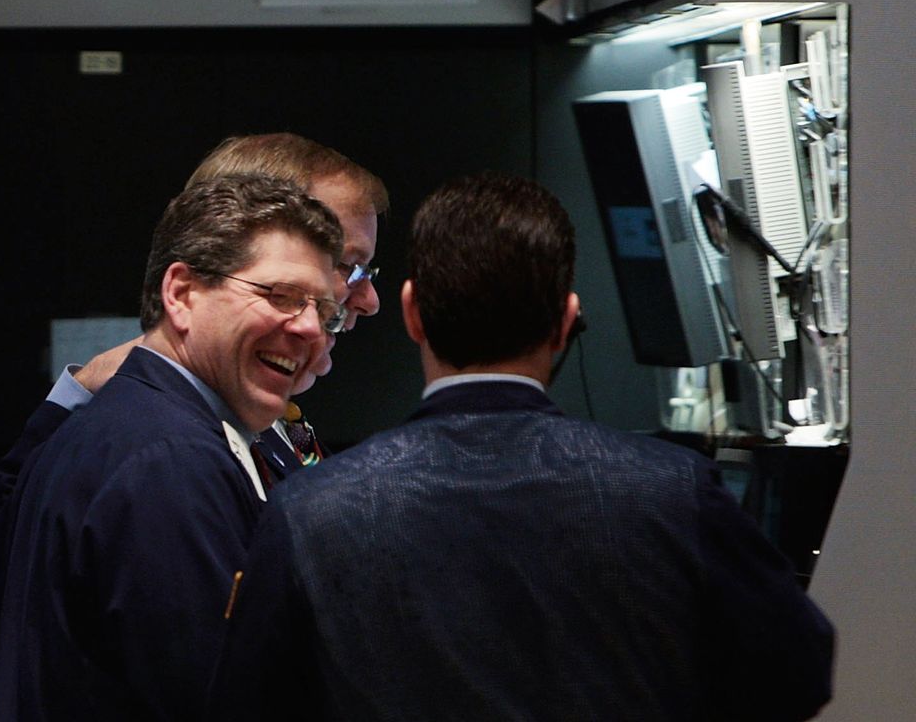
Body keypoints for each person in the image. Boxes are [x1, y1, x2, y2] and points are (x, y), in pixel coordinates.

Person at [208, 172, 835, 722]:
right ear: (567, 320)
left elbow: (247, 703)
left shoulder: (308, 511)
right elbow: (799, 672)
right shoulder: (676, 492)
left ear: (412, 313)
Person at [0, 133, 386, 626]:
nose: (368, 299)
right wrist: (76, 393)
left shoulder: (262, 413)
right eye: (345, 264)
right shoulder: (162, 448)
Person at [0, 174, 346, 720]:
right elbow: (216, 698)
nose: (310, 331)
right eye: (281, 296)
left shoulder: (125, 426)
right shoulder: (169, 460)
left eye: (325, 312)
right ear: (181, 294)